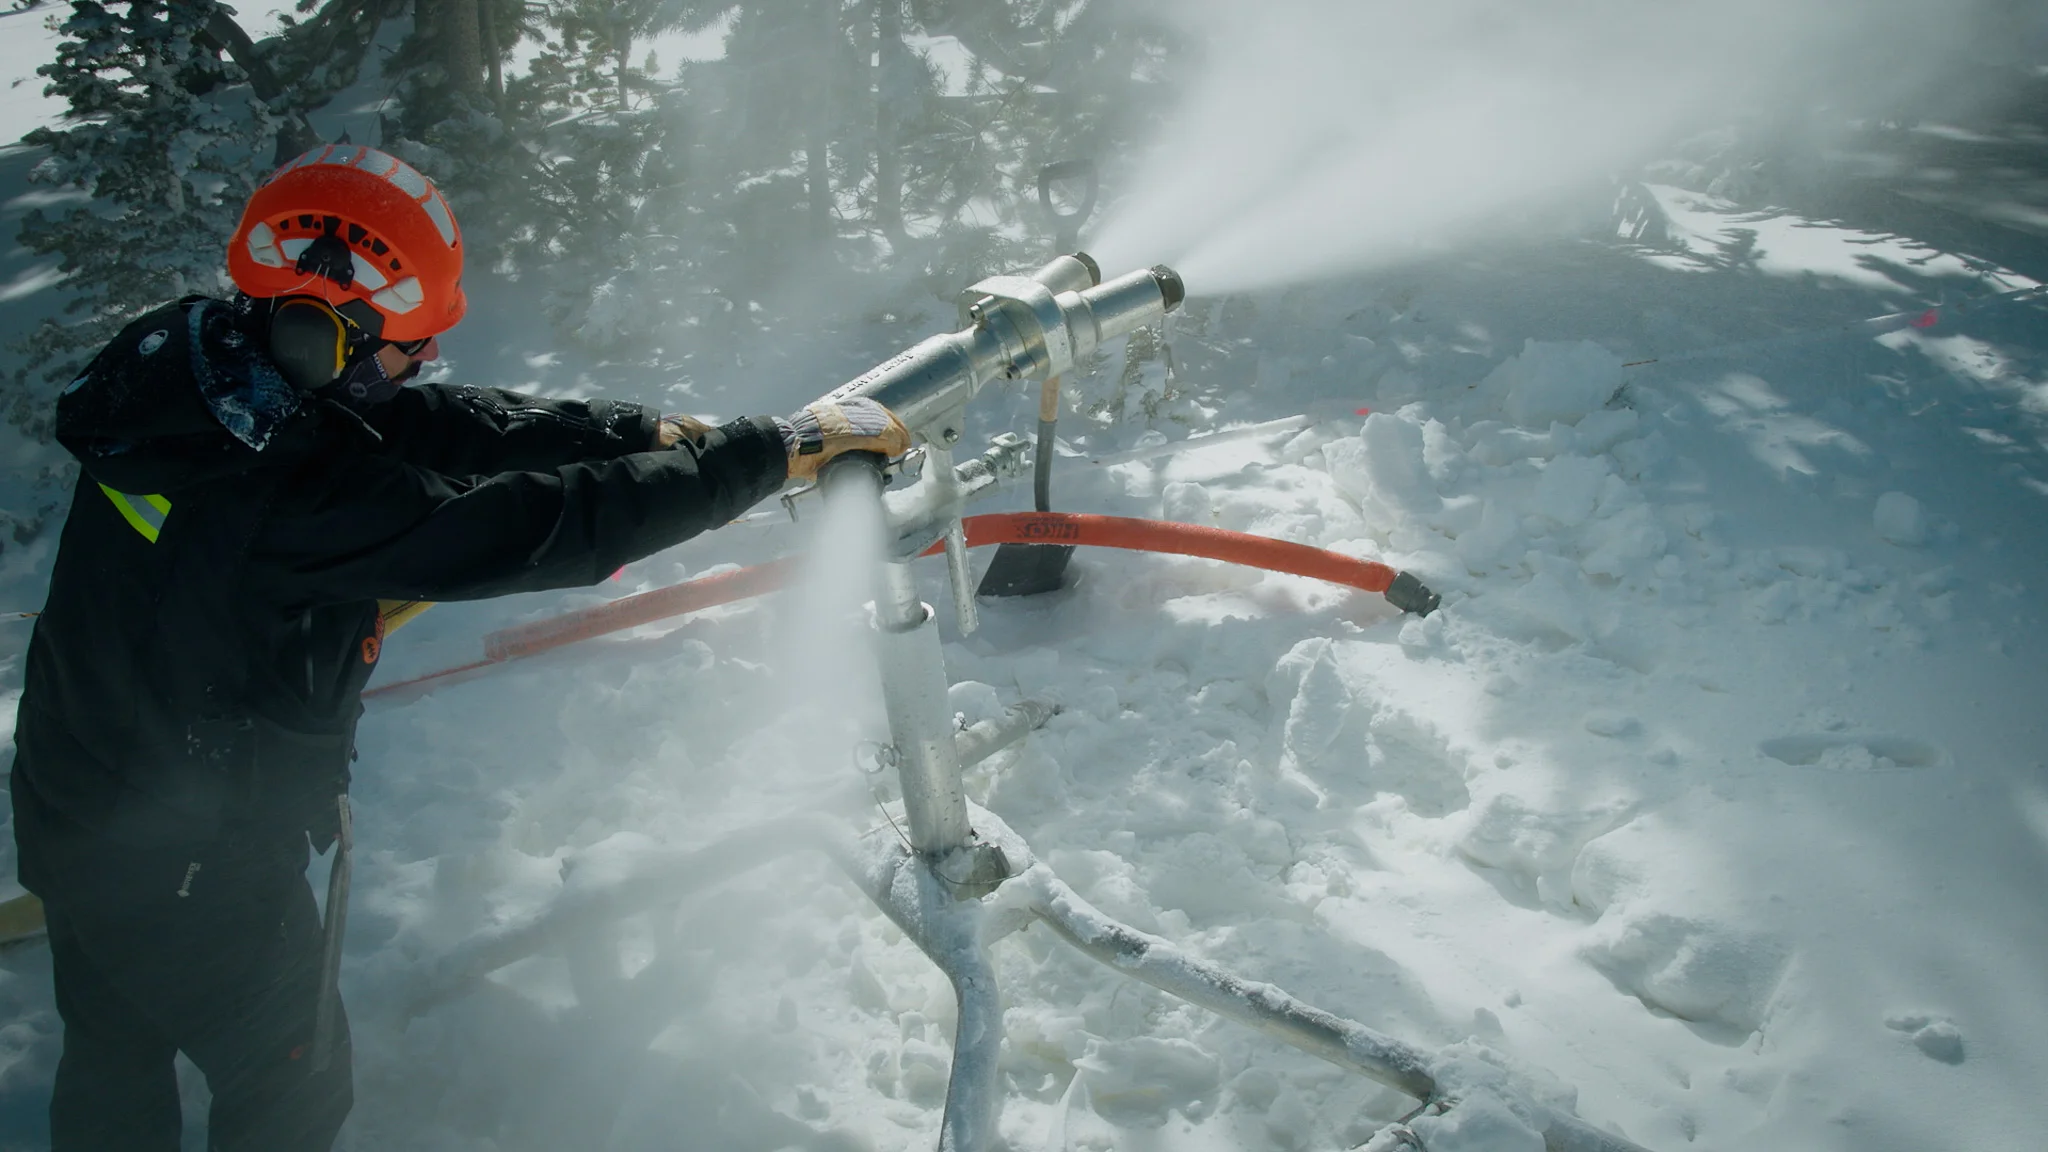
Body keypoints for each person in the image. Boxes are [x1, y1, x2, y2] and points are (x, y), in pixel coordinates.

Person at [7, 143, 909, 1150]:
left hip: (69, 799)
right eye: (405, 349)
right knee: (290, 1091)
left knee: (112, 1056)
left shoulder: (201, 367)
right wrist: (764, 458)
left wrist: (640, 431)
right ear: (325, 338)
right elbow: (544, 527)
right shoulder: (287, 495)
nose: (420, 367)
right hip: (194, 869)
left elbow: (436, 423)